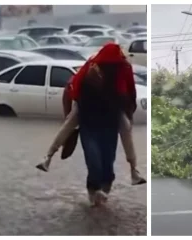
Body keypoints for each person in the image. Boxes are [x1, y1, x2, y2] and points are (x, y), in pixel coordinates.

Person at [36, 51, 146, 186]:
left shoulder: (123, 67)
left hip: (112, 111)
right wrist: (69, 115)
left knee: (126, 128)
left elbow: (130, 92)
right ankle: (48, 156)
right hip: (85, 108)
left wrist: (128, 111)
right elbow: (70, 89)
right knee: (69, 124)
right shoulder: (92, 67)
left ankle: (134, 170)